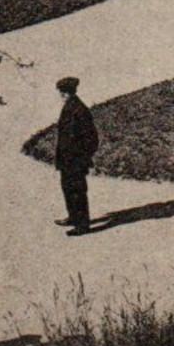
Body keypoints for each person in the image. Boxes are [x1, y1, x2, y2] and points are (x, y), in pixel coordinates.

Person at [54, 76, 99, 235]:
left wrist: (84, 158)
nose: (61, 95)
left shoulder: (80, 110)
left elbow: (92, 139)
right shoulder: (69, 107)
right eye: (61, 92)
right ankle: (73, 217)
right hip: (67, 159)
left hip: (76, 160)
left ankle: (82, 225)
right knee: (68, 189)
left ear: (70, 92)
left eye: (63, 92)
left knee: (78, 191)